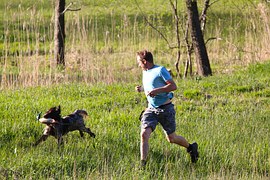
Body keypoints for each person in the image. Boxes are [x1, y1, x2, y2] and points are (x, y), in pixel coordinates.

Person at [135, 50, 199, 167]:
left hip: (166, 109)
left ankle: (191, 147)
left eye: (139, 62)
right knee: (144, 134)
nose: (138, 65)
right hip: (151, 109)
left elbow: (173, 86)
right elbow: (152, 85)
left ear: (144, 61)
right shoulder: (145, 71)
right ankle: (142, 164)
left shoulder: (160, 70)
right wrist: (142, 89)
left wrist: (156, 91)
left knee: (171, 138)